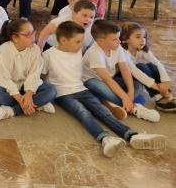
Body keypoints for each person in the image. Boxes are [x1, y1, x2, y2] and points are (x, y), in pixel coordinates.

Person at [43, 21, 165, 157]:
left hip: (81, 89)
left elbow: (123, 70)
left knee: (103, 112)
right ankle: (105, 139)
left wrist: (128, 95)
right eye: (78, 42)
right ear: (64, 40)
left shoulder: (77, 52)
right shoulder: (48, 54)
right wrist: (46, 96)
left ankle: (132, 135)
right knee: (83, 114)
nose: (81, 45)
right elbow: (42, 75)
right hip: (63, 94)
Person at [83, 20, 160, 122]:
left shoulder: (117, 47)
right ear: (101, 41)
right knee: (95, 84)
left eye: (119, 38)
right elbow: (106, 79)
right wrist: (125, 97)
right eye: (115, 39)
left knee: (137, 85)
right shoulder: (94, 53)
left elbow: (125, 69)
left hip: (111, 78)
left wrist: (130, 93)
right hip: (94, 81)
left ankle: (111, 103)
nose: (119, 42)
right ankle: (135, 108)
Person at [0, 18, 57, 121]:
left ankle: (13, 110)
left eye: (33, 32)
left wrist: (29, 93)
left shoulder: (35, 49)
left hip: (25, 84)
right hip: (6, 84)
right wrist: (20, 99)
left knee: (51, 90)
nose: (33, 37)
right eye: (28, 35)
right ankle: (37, 103)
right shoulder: (3, 50)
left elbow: (34, 73)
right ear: (15, 38)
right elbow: (4, 78)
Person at [120, 22, 175, 112]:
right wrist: (158, 87)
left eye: (144, 37)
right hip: (122, 76)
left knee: (151, 65)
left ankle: (167, 94)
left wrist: (166, 81)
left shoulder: (141, 49)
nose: (142, 40)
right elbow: (134, 71)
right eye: (138, 37)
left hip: (133, 74)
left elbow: (157, 63)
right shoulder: (122, 52)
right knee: (141, 66)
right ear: (125, 39)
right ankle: (159, 96)